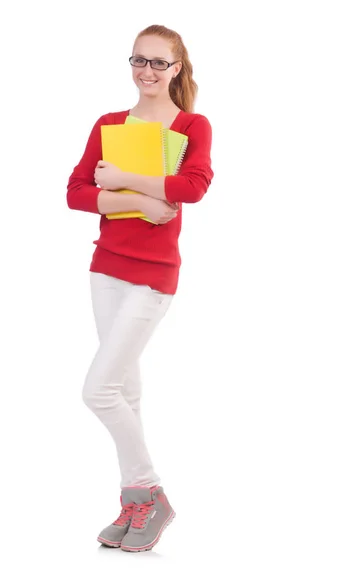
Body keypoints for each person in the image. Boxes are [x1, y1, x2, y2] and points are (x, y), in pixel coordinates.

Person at [67, 24, 213, 552]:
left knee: (97, 391)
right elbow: (77, 191)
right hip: (105, 269)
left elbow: (193, 186)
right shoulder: (109, 123)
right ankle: (136, 502)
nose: (147, 71)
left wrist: (133, 186)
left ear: (177, 68)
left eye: (158, 63)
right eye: (139, 61)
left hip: (153, 275)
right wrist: (141, 201)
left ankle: (149, 492)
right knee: (124, 390)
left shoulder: (193, 125)